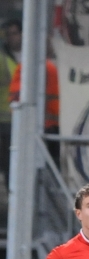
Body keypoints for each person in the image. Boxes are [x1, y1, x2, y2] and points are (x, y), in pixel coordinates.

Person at [0, 19, 21, 186]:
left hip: (24, 119)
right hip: (6, 120)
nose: (11, 38)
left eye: (14, 33)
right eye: (8, 35)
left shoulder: (32, 55)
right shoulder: (3, 59)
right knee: (8, 163)